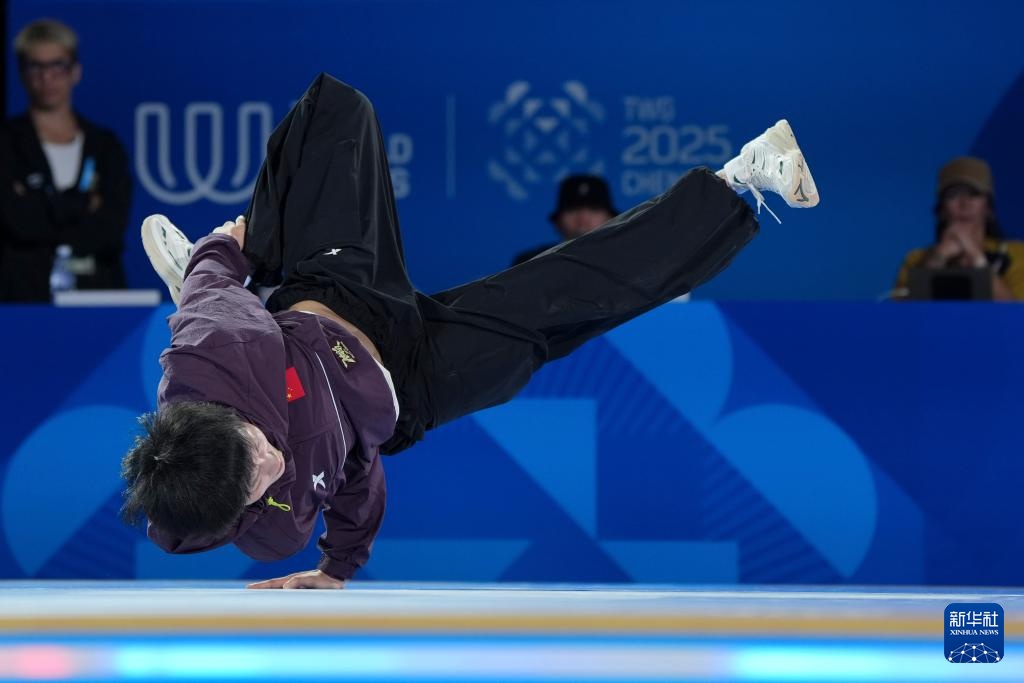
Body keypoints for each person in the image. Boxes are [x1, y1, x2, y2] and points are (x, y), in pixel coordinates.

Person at [120, 73, 819, 589]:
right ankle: (741, 177)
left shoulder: (215, 353)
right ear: (237, 515)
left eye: (256, 452)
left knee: (336, 110)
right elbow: (356, 475)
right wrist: (337, 567)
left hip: (332, 296)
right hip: (411, 384)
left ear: (231, 419)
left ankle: (251, 272)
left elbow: (214, 290)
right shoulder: (273, 529)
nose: (273, 466)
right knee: (561, 304)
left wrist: (225, 254)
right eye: (259, 484)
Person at [0, 18, 131, 302]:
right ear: (22, 73)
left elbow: (110, 229)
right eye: (36, 67)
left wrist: (41, 204)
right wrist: (83, 204)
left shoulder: (105, 146)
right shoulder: (7, 143)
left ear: (75, 71)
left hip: (98, 296)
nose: (47, 78)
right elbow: (15, 222)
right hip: (21, 299)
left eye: (57, 66)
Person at [893, 157, 1024, 301]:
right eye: (953, 194)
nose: (964, 203)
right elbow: (902, 312)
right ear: (941, 210)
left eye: (974, 194)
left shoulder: (1017, 254)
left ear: (988, 208)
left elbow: (1017, 311)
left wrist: (977, 259)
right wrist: (937, 258)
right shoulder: (915, 259)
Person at [511, 174, 619, 266]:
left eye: (594, 209)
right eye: (573, 209)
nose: (583, 219)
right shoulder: (530, 264)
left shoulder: (624, 260)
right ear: (558, 221)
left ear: (611, 218)